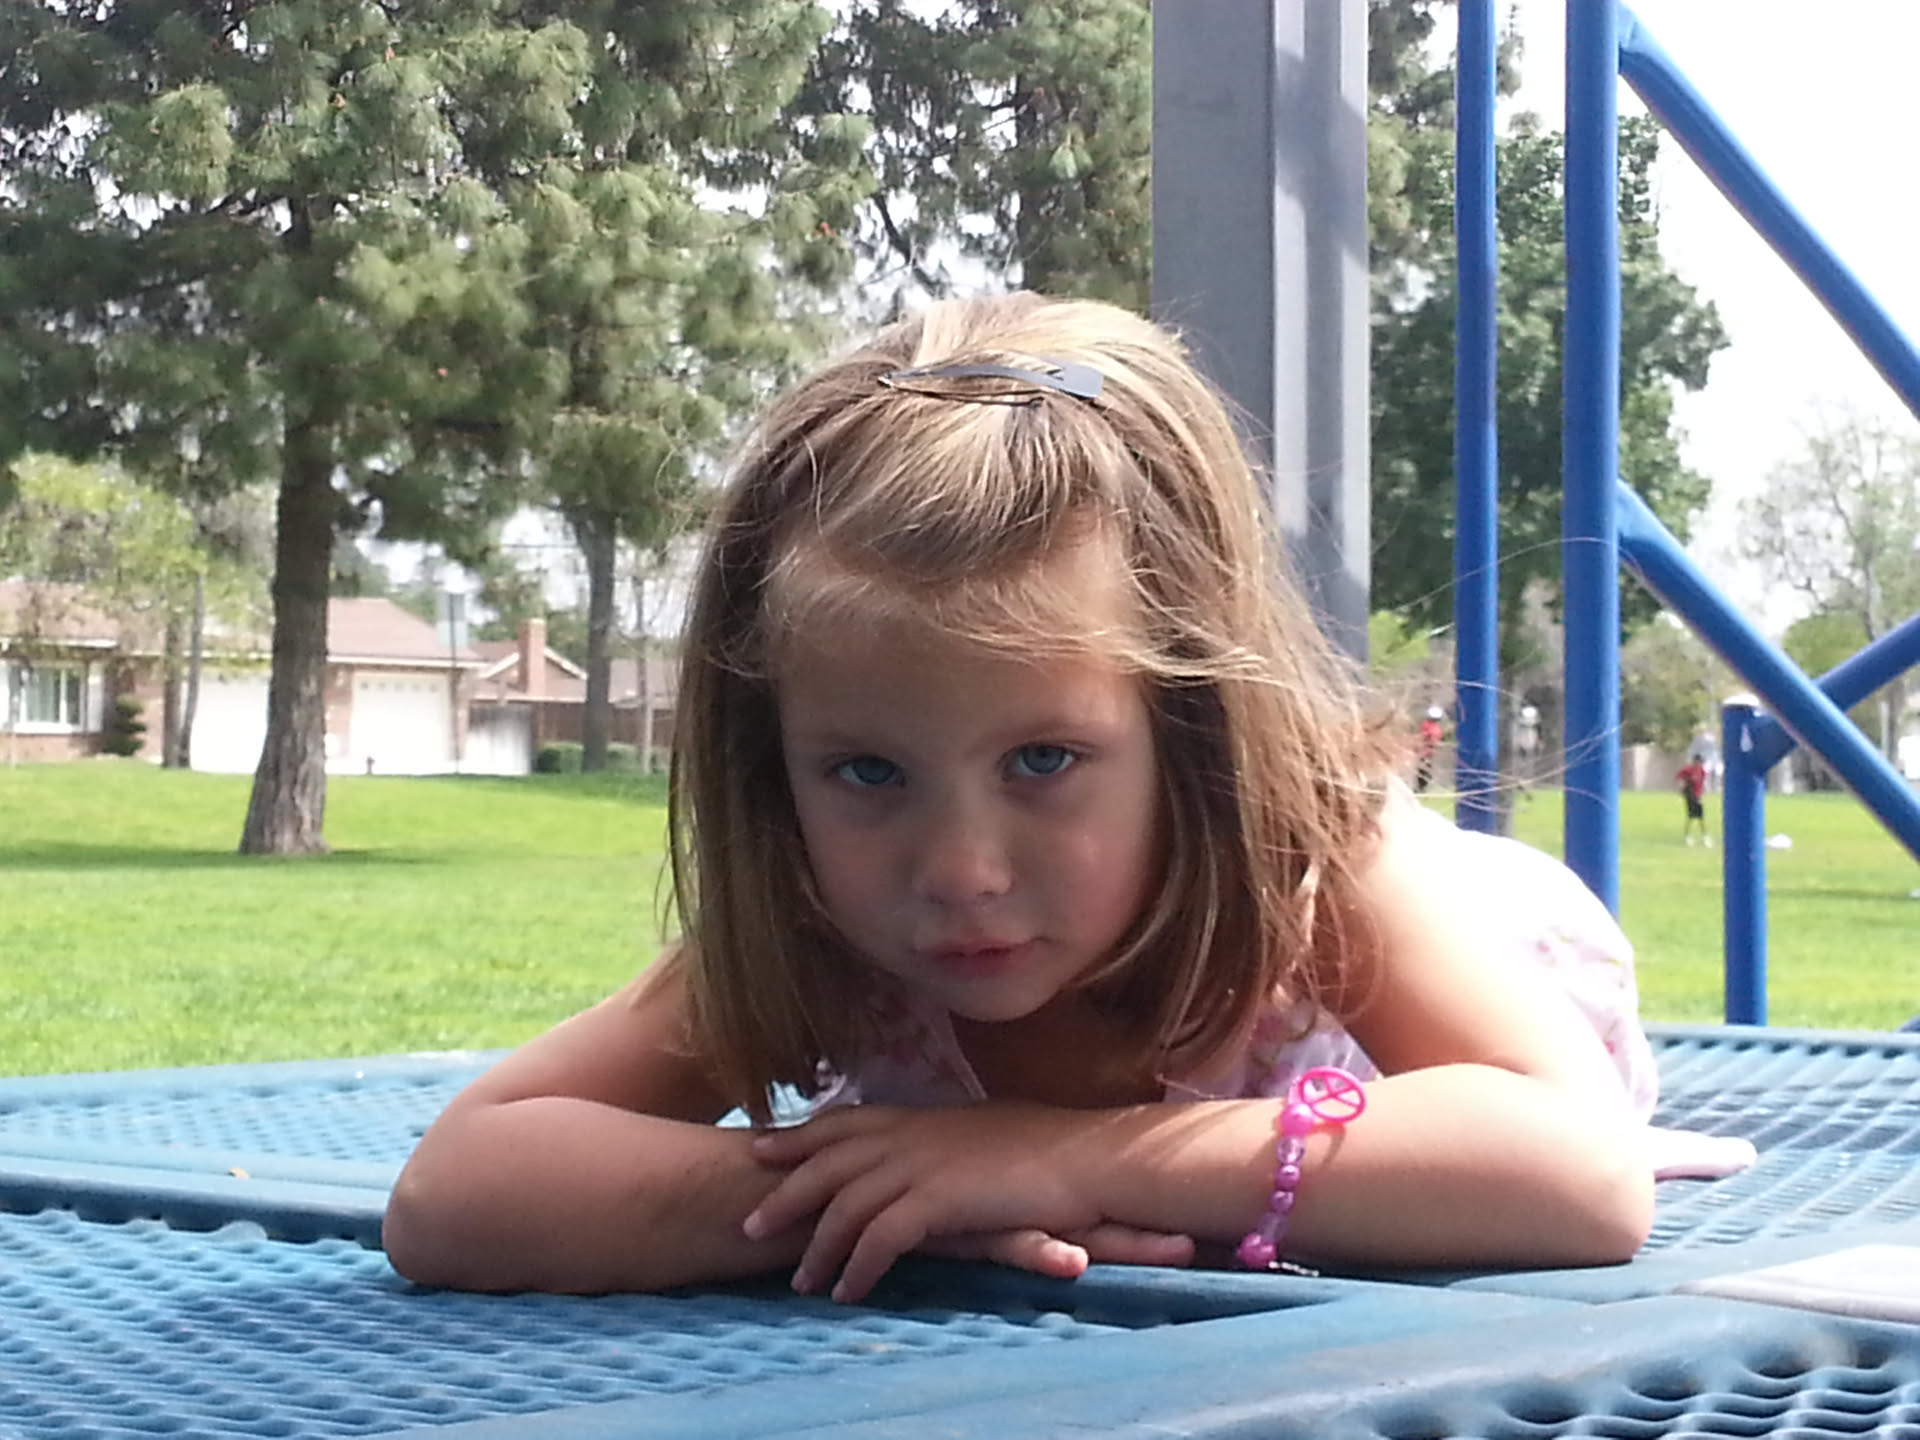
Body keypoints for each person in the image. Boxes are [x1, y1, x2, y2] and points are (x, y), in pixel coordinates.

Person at [384, 293, 1741, 1306]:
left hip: (1486, 972)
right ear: (771, 766)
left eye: (1043, 761)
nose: (959, 869)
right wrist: (889, 1190)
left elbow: (1578, 1172)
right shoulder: (828, 921)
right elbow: (457, 1191)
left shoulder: (1310, 855)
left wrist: (1064, 1158)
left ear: (1190, 731)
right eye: (867, 772)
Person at [1677, 756, 1710, 846]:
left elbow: (1703, 782)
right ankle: (1687, 837)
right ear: (1694, 761)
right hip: (1690, 796)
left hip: (1698, 797)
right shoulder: (1688, 770)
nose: (1699, 764)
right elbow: (1680, 778)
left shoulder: (1701, 770)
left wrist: (1703, 792)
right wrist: (1681, 788)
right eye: (1698, 762)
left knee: (1701, 817)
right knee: (1690, 817)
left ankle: (1705, 837)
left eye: (1701, 762)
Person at [1415, 706, 1445, 792]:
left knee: (1425, 769)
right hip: (1425, 751)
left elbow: (1434, 738)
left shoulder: (1432, 727)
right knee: (1424, 770)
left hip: (1428, 751)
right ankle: (1421, 787)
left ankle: (1421, 786)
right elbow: (1426, 737)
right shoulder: (1428, 726)